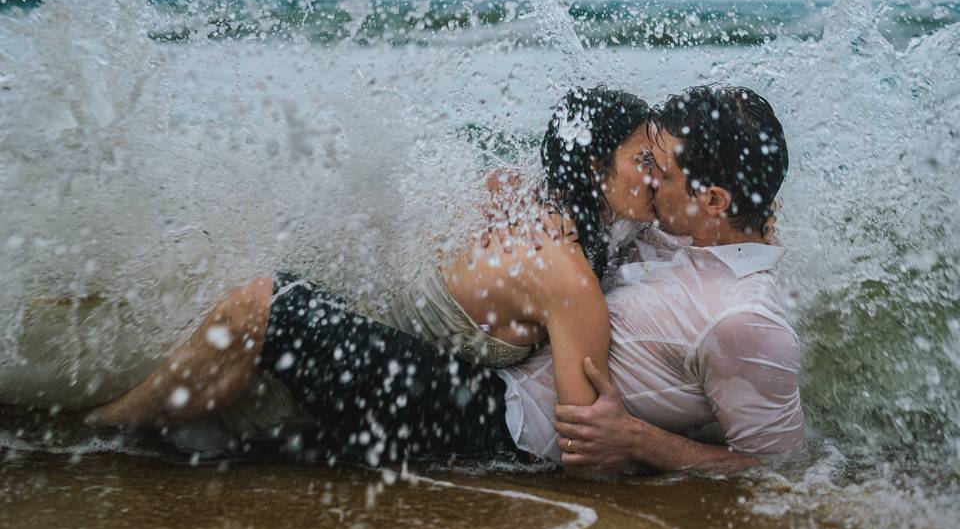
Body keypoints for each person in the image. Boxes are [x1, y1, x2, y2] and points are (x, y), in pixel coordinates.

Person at [83, 86, 657, 451]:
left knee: (263, 304)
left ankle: (101, 430)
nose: (655, 176)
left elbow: (583, 439)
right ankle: (109, 429)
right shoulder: (536, 222)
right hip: (379, 344)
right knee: (263, 303)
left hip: (407, 379)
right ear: (591, 165)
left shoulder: (550, 234)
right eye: (644, 161)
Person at [548, 85, 804, 473]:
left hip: (495, 438)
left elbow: (776, 465)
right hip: (478, 365)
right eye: (647, 160)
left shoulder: (743, 319)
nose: (647, 178)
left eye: (663, 173)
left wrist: (635, 438)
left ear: (714, 201)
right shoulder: (674, 226)